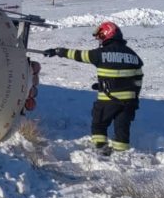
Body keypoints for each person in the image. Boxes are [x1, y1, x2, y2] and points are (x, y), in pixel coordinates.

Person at [43, 21, 143, 155]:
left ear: (107, 34)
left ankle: (101, 150)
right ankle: (122, 154)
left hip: (108, 99)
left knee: (99, 124)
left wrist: (58, 51)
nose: (99, 40)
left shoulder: (101, 54)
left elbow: (78, 55)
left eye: (101, 36)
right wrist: (133, 97)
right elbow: (138, 79)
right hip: (129, 102)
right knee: (122, 128)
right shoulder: (134, 56)